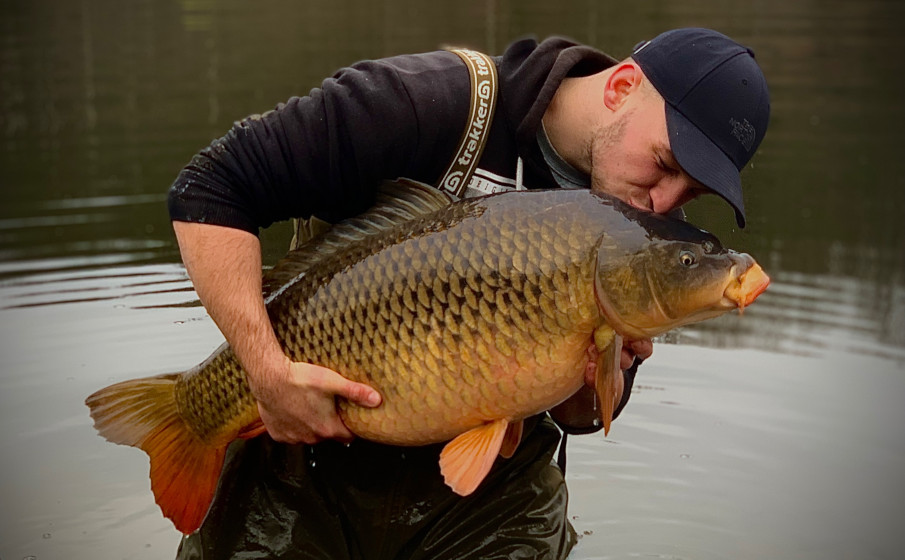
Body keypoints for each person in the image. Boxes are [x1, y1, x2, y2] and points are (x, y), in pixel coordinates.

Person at [169, 28, 770, 559]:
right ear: (620, 88)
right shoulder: (422, 101)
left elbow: (581, 419)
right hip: (301, 447)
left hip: (486, 492)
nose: (661, 202)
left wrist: (589, 379)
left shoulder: (633, 242)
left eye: (688, 194)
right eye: (663, 162)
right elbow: (210, 186)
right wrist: (265, 370)